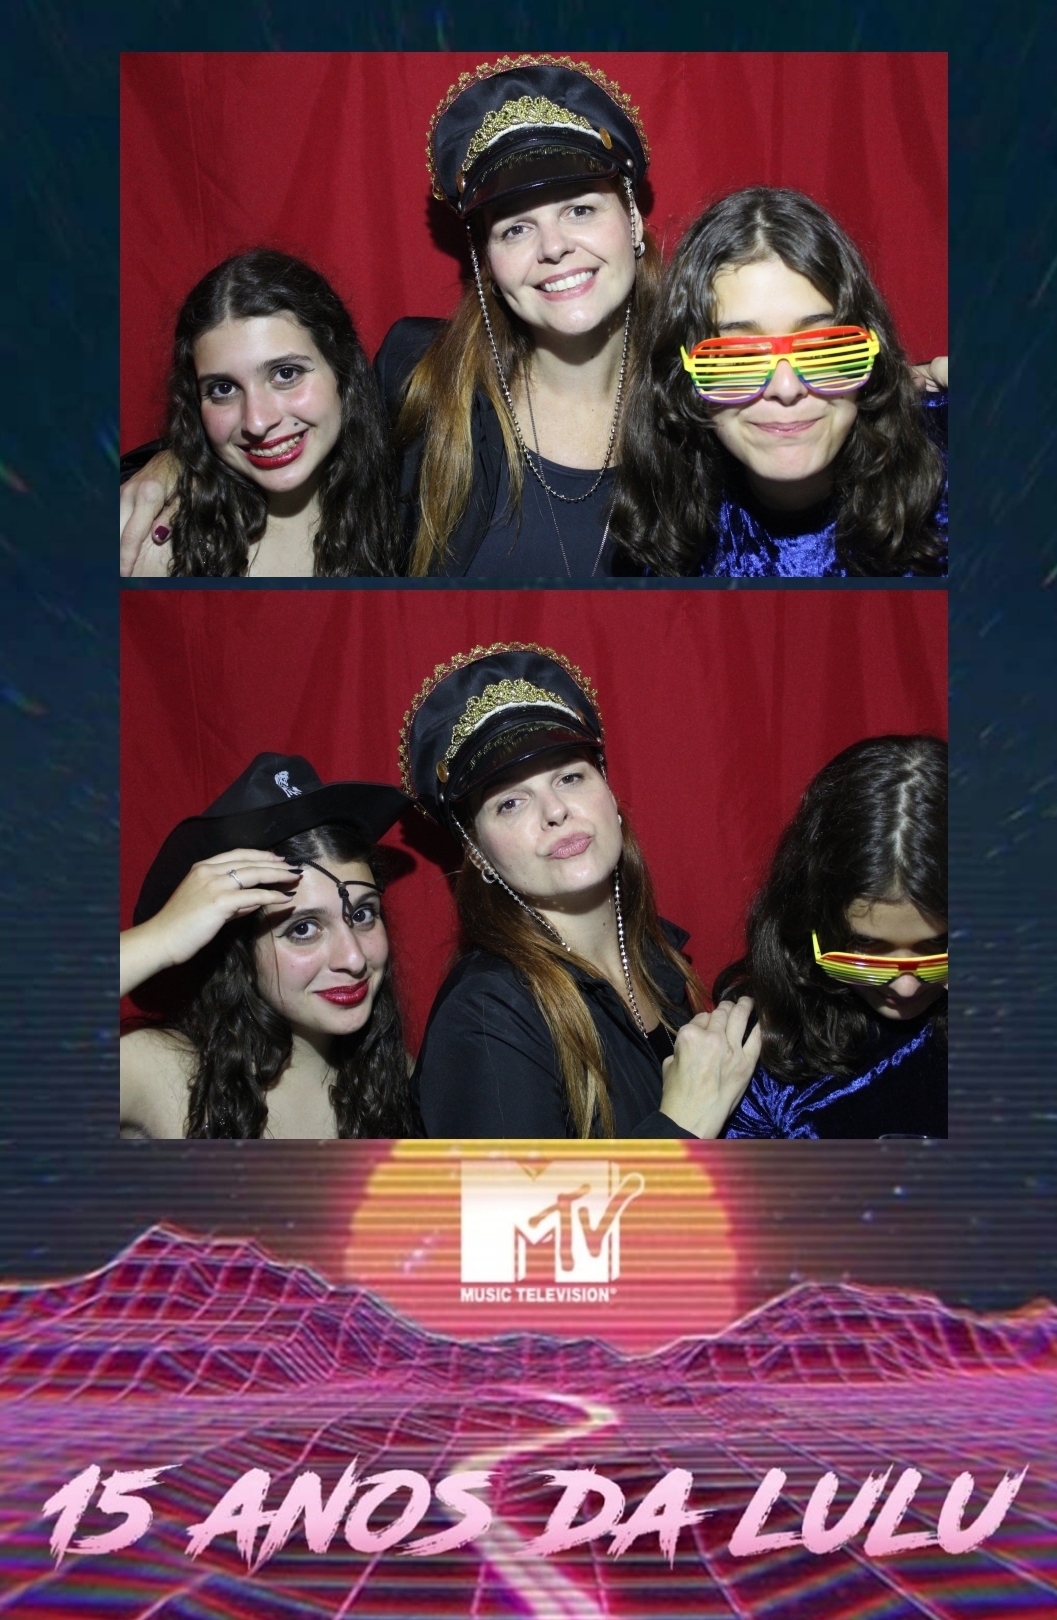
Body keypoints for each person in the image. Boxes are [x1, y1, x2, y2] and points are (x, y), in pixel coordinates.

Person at [401, 645, 761, 1137]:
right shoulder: (486, 1016)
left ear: (609, 795)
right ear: (478, 852)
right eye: (510, 803)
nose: (555, 811)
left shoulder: (656, 959)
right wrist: (684, 1121)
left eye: (570, 777)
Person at [373, 56, 662, 578]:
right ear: (487, 261)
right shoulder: (416, 383)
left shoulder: (708, 399)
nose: (553, 247)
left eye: (579, 209)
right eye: (516, 229)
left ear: (633, 220)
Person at [609, 187, 948, 577]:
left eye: (823, 348)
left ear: (874, 351)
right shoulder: (658, 541)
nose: (786, 388)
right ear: (682, 377)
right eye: (739, 357)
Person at [120, 753, 421, 1139]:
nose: (354, 957)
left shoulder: (403, 1081)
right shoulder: (154, 1073)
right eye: (304, 928)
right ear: (240, 954)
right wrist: (162, 938)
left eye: (362, 915)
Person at [714, 735, 948, 1139]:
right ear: (813, 923)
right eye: (866, 947)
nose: (906, 987)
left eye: (939, 948)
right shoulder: (760, 1053)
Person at [120, 249, 402, 577]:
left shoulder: (401, 502)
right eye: (223, 389)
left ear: (341, 369)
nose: (256, 421)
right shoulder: (154, 548)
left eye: (285, 373)